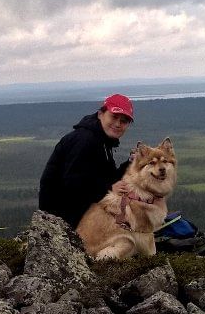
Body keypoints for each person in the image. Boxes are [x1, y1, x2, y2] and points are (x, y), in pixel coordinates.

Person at [39, 93, 135, 228]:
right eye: (114, 117)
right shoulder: (85, 140)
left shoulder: (102, 141)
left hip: (77, 212)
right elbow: (72, 185)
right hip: (63, 218)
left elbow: (109, 178)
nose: (118, 124)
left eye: (124, 121)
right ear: (100, 114)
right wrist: (108, 189)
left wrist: (131, 162)